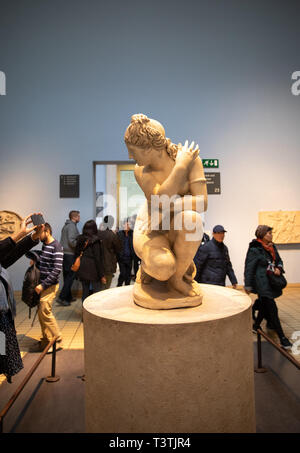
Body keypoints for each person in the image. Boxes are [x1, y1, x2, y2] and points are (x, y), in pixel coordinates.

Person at [124, 113, 208, 300]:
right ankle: (148, 267)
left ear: (149, 149)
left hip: (174, 223)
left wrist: (170, 208)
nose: (130, 156)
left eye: (133, 150)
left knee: (193, 219)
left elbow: (202, 202)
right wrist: (180, 167)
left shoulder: (192, 159)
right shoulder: (141, 170)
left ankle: (177, 279)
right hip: (151, 226)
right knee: (162, 268)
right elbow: (159, 200)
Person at [0, 213, 44, 381]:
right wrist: (20, 234)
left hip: (2, 314)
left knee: (2, 352)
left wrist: (33, 237)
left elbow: (8, 256)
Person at [244, 225, 292, 350]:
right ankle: (282, 338)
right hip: (261, 283)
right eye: (269, 233)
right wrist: (248, 284)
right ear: (262, 235)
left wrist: (279, 268)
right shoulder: (255, 249)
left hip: (271, 281)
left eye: (271, 233)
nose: (271, 235)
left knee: (265, 306)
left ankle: (256, 326)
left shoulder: (272, 246)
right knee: (272, 308)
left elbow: (279, 260)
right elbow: (249, 268)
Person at [30, 223, 64, 352]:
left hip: (50, 285)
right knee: (41, 313)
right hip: (43, 284)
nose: (38, 237)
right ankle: (46, 341)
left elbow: (56, 270)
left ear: (47, 231)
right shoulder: (45, 245)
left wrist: (43, 285)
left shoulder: (57, 246)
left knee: (45, 310)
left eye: (40, 234)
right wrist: (36, 260)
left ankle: (58, 339)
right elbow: (46, 262)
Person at [75, 220, 106, 302]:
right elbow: (97, 259)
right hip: (93, 269)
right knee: (97, 293)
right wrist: (102, 274)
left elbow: (76, 253)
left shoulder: (80, 239)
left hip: (82, 267)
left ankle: (85, 311)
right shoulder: (95, 241)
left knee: (85, 291)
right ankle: (95, 312)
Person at [57, 210, 80, 306]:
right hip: (69, 254)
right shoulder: (71, 226)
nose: (79, 218)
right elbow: (71, 241)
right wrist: (80, 245)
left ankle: (68, 297)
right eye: (78, 216)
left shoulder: (66, 225)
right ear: (74, 217)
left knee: (67, 276)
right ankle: (62, 297)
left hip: (65, 254)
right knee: (70, 276)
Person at [98, 215, 122, 289]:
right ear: (111, 223)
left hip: (97, 263)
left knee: (98, 287)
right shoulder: (112, 235)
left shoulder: (97, 233)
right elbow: (118, 249)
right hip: (109, 263)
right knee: (106, 287)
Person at [117, 220, 135, 287]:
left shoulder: (132, 234)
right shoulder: (119, 234)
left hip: (129, 258)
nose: (128, 226)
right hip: (122, 258)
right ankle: (119, 286)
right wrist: (119, 255)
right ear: (123, 225)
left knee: (128, 274)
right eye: (127, 225)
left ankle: (127, 286)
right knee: (123, 273)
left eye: (129, 225)